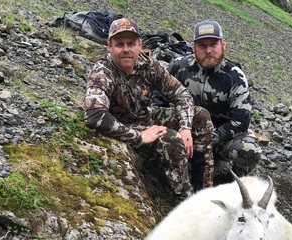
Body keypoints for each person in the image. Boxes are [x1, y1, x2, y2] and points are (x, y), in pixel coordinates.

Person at [84, 18, 214, 203]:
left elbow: (182, 95)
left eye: (131, 43)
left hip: (146, 118)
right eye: (119, 44)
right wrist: (139, 137)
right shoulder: (103, 72)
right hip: (124, 129)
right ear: (109, 46)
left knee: (201, 116)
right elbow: (94, 115)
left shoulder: (150, 66)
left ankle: (205, 193)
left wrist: (185, 127)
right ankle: (185, 202)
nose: (126, 49)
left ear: (139, 45)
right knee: (171, 140)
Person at [167, 20, 261, 184]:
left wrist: (206, 139)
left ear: (223, 44)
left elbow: (240, 122)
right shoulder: (178, 67)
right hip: (185, 132)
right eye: (202, 45)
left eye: (213, 44)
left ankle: (236, 186)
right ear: (193, 46)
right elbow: (159, 102)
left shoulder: (235, 77)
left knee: (248, 149)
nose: (208, 50)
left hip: (220, 138)